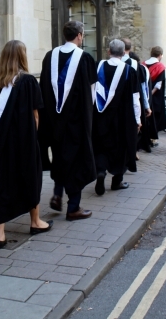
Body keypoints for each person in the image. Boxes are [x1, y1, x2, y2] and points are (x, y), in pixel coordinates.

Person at [0, 40, 51, 247]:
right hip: (22, 143)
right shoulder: (27, 81)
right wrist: (32, 137)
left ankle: (0, 234)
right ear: (22, 56)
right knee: (30, 178)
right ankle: (35, 221)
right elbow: (36, 116)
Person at [39, 21, 97, 221]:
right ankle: (73, 207)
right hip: (76, 123)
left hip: (53, 121)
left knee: (59, 156)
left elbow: (44, 88)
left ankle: (57, 193)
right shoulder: (85, 59)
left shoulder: (49, 57)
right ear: (80, 35)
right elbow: (92, 94)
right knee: (76, 161)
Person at [92, 39, 141, 196]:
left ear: (108, 51)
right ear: (123, 53)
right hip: (121, 119)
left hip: (99, 116)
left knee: (101, 147)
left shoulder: (98, 66)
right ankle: (117, 181)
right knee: (121, 148)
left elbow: (91, 92)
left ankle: (100, 171)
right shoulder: (129, 70)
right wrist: (138, 119)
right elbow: (135, 98)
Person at [121, 38, 152, 164]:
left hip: (114, 104)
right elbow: (141, 88)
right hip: (132, 103)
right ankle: (133, 152)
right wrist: (146, 105)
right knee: (133, 129)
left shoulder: (107, 64)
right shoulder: (136, 65)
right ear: (130, 48)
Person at [142, 46, 166, 145]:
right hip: (155, 97)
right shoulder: (160, 67)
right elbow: (158, 85)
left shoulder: (143, 65)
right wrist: (150, 95)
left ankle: (145, 137)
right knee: (154, 117)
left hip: (143, 94)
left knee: (145, 117)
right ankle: (152, 138)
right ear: (160, 55)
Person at [130, 51, 154, 153]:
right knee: (137, 126)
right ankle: (134, 150)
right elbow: (143, 89)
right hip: (136, 101)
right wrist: (147, 105)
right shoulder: (141, 68)